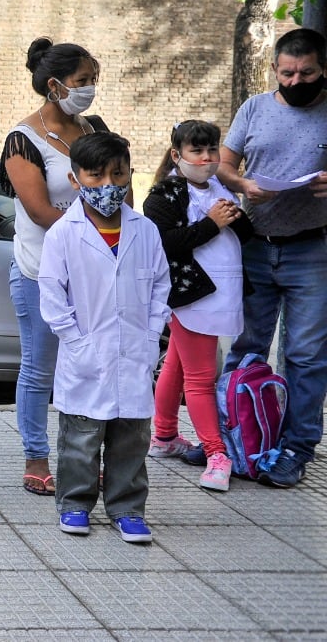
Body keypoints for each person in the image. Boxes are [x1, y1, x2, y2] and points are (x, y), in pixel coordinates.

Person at [38, 132, 170, 543]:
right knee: (80, 437)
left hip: (134, 352)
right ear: (75, 179)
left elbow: (160, 287)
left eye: (118, 173)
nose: (108, 184)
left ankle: (127, 507)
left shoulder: (144, 230)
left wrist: (151, 338)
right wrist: (75, 342)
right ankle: (76, 503)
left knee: (131, 437)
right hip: (85, 352)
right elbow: (51, 292)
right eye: (95, 175)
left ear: (131, 173)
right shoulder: (64, 233)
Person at [217, 27, 327, 488]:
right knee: (245, 348)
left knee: (305, 356)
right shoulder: (254, 108)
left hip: (312, 249)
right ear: (275, 70)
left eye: (307, 73)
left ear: (323, 69)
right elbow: (222, 166)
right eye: (287, 72)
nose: (296, 81)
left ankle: (296, 448)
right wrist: (243, 186)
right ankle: (233, 437)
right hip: (254, 247)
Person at [0, 37, 108, 497]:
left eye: (93, 81)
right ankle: (36, 457)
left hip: (94, 273)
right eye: (82, 82)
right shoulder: (22, 139)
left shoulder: (94, 128)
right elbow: (42, 212)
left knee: (85, 368)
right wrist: (94, 230)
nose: (90, 90)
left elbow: (113, 181)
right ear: (54, 85)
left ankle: (80, 458)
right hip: (40, 271)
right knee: (40, 369)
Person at [143, 121, 253, 492]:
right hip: (192, 297)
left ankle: (164, 435)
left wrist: (238, 219)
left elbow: (238, 232)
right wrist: (211, 223)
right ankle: (216, 454)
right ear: (177, 155)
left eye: (212, 151)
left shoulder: (219, 187)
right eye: (197, 151)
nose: (206, 159)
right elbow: (165, 243)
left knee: (176, 360)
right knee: (202, 379)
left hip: (218, 294)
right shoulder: (166, 193)